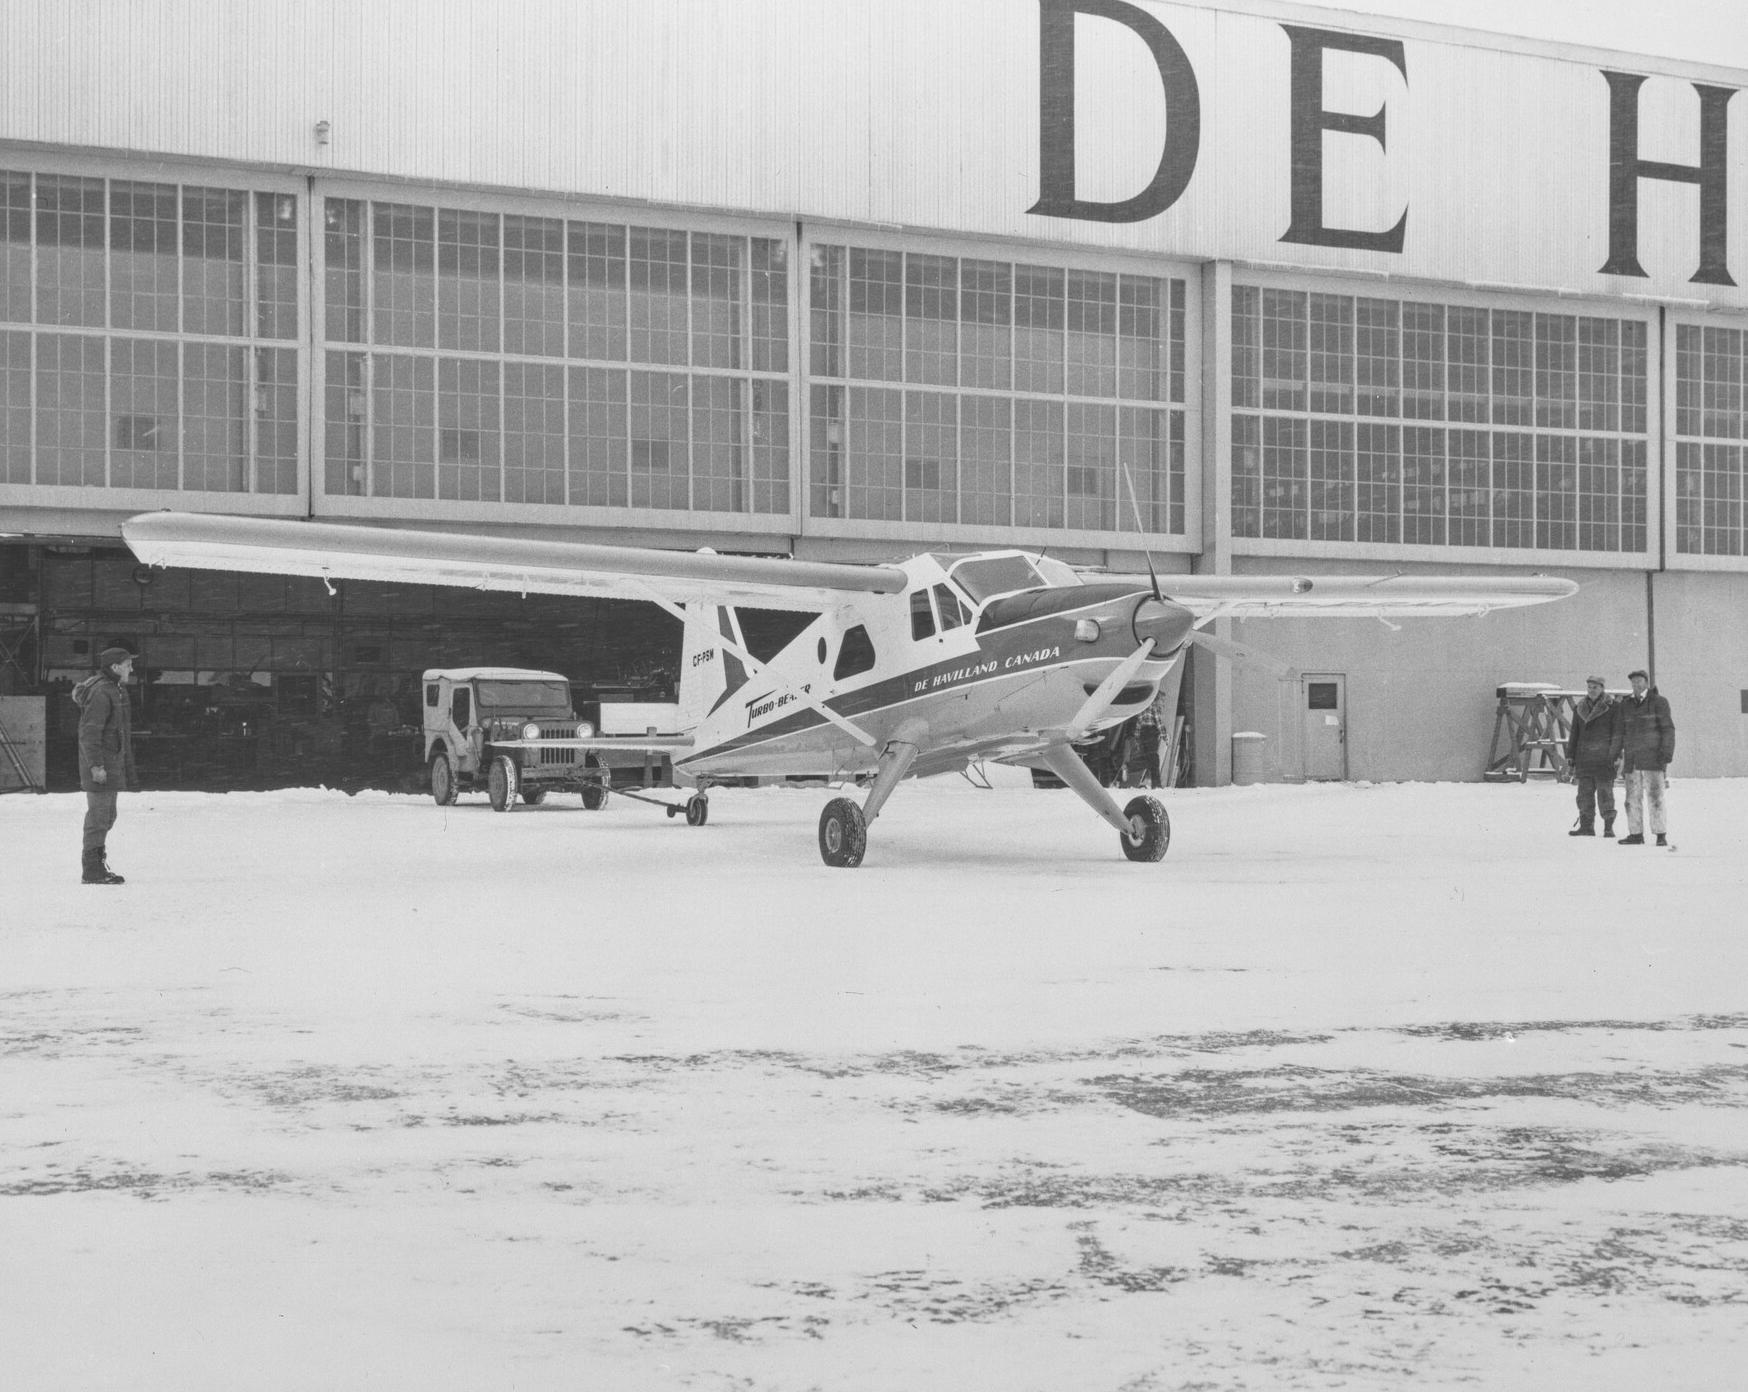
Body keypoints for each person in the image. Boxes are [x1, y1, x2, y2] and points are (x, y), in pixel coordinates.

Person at [72, 646, 138, 885]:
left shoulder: (113, 689)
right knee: (99, 816)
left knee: (107, 815)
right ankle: (92, 869)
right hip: (101, 766)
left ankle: (96, 864)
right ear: (115, 667)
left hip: (110, 764)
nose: (132, 668)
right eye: (128, 664)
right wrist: (96, 766)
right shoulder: (102, 692)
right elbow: (90, 733)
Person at [1617, 668, 1675, 847]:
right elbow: (1620, 732)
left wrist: (1666, 753)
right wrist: (1615, 754)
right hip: (1632, 759)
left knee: (1655, 796)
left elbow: (1667, 729)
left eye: (1639, 681)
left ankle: (1660, 834)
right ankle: (1635, 834)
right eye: (1633, 682)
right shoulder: (1625, 704)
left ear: (1646, 683)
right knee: (1631, 798)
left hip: (1653, 758)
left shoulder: (1659, 702)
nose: (1636, 684)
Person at [1564, 676, 1622, 837]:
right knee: (1584, 795)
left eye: (1595, 687)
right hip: (1584, 758)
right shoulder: (1579, 708)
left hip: (1604, 759)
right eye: (1589, 687)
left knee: (1605, 794)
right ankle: (1586, 827)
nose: (1591, 690)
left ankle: (1608, 827)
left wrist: (1615, 755)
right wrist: (1570, 755)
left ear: (1602, 688)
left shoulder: (1613, 708)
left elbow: (1618, 734)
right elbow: (1574, 733)